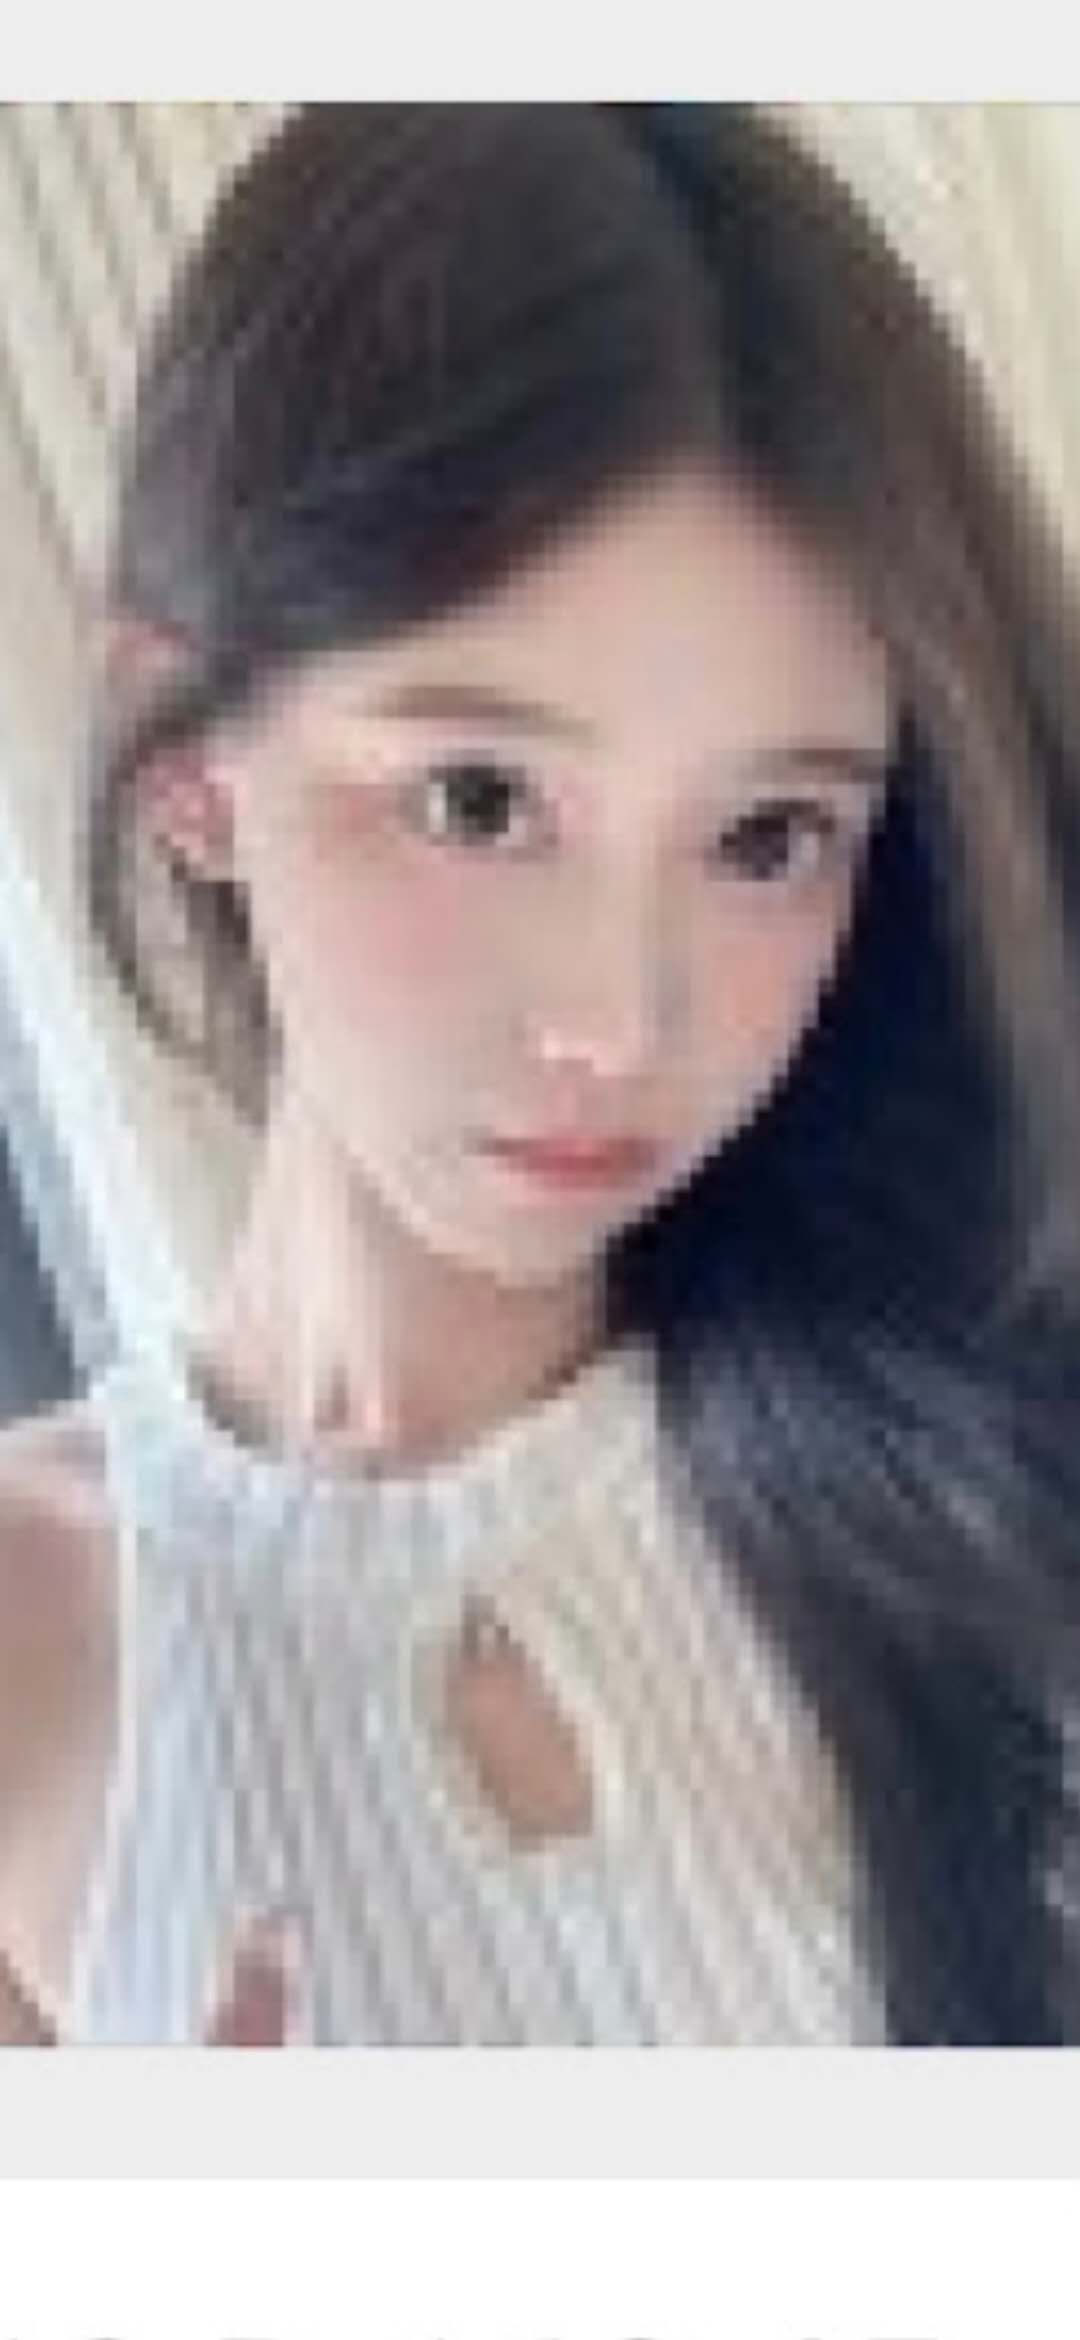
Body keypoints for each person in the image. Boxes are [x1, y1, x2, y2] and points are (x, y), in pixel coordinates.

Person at [1, 101, 1079, 2047]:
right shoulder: (35, 1638)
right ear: (186, 747)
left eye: (769, 837)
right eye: (481, 800)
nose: (621, 1024)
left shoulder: (991, 1474)